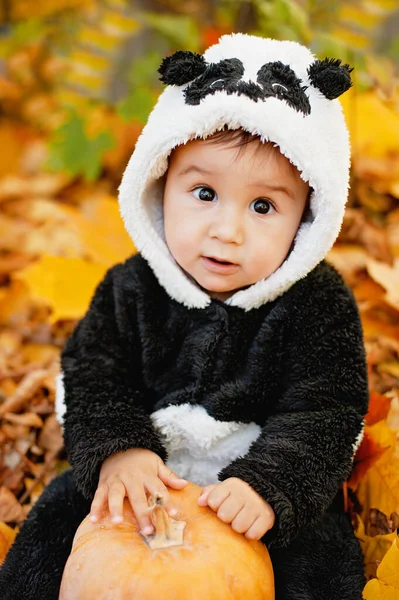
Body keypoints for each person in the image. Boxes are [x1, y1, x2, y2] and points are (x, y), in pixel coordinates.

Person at [0, 33, 368, 599]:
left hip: (255, 481)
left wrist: (271, 485)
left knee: (319, 561)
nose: (228, 230)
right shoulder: (129, 288)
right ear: (159, 183)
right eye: (203, 193)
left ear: (308, 218)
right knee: (54, 529)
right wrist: (119, 449)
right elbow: (94, 373)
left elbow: (326, 409)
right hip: (143, 471)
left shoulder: (317, 305)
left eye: (264, 206)